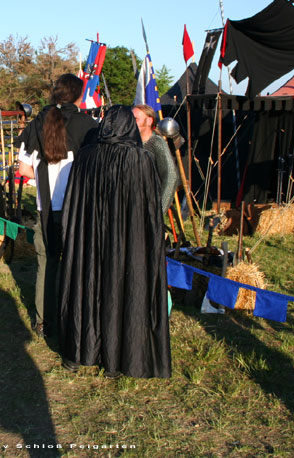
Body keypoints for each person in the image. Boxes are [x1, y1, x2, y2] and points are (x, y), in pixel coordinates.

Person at [58, 105, 171, 378]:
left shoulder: (84, 157)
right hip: (126, 240)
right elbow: (149, 209)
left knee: (88, 286)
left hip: (89, 239)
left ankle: (78, 353)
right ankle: (119, 359)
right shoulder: (139, 158)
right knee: (121, 288)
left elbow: (72, 204)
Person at [16, 74, 98, 338]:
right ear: (77, 94)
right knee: (77, 264)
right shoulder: (88, 125)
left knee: (47, 264)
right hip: (78, 208)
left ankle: (43, 321)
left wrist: (45, 175)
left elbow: (24, 169)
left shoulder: (38, 121)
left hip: (46, 206)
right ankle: (73, 320)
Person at [132, 104, 179, 214]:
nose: (131, 123)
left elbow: (171, 177)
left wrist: (158, 211)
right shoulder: (130, 143)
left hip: (149, 203)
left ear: (149, 121)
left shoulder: (156, 143)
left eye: (135, 119)